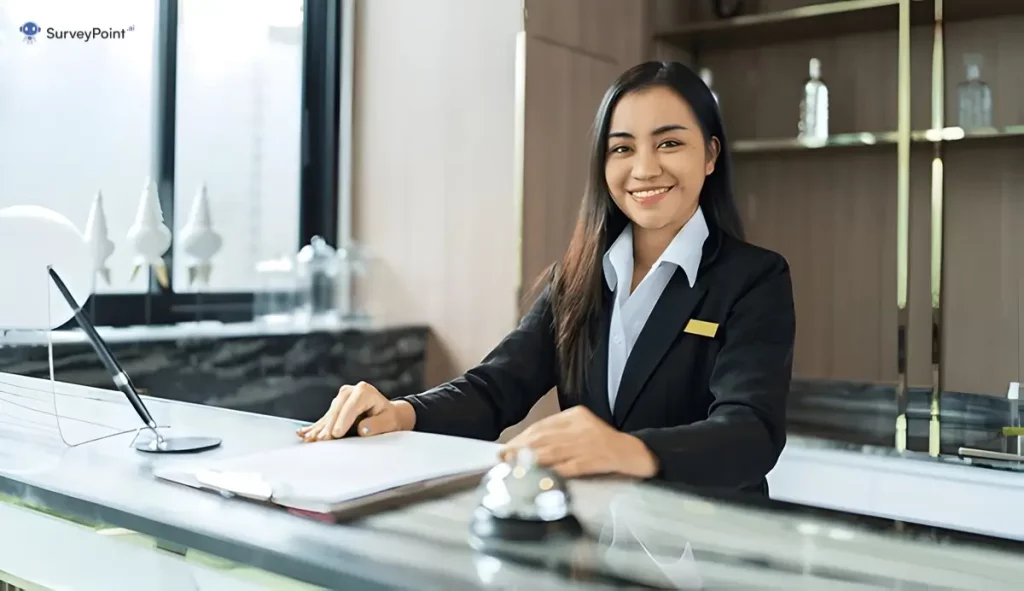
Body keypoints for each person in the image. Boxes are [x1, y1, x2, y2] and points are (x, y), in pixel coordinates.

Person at [297, 61, 796, 496]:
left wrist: (625, 450)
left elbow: (750, 432)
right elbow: (496, 388)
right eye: (621, 149)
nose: (645, 168)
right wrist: (402, 412)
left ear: (709, 155)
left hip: (711, 548)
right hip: (598, 536)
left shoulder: (754, 278)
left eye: (669, 143)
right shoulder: (577, 277)